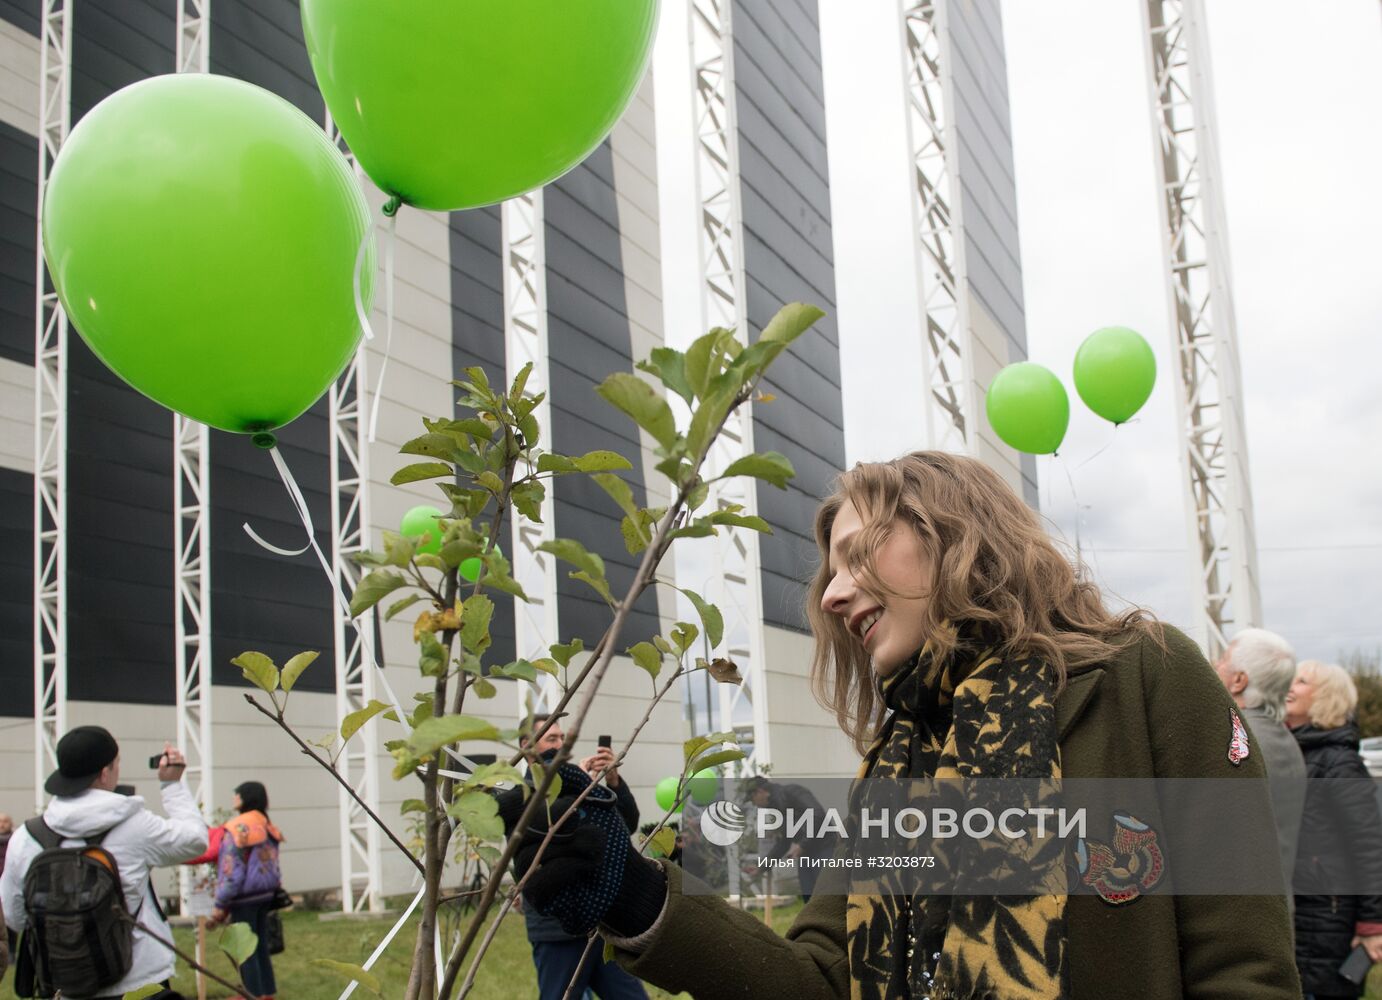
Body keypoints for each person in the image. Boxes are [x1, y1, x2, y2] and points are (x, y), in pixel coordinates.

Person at [499, 451, 1300, 999]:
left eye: (858, 554)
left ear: (953, 534)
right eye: (831, 573)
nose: (832, 594)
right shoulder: (893, 762)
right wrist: (629, 892)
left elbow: (1244, 971)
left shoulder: (1146, 677)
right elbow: (819, 980)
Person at [0, 726, 207, 998]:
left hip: (66, 986)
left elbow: (15, 918)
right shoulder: (136, 826)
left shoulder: (26, 838)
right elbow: (195, 840)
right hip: (139, 983)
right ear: (105, 773)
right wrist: (172, 785)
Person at [516, 713, 648, 1000]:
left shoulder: (577, 784)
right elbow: (553, 827)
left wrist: (612, 781)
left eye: (562, 738)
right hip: (556, 932)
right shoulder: (524, 793)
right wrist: (578, 786)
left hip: (599, 926)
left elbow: (628, 822)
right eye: (552, 739)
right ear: (528, 747)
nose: (560, 744)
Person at [1287, 660, 1382, 998]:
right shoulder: (1298, 750)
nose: (1290, 686)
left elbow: (1369, 845)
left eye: (1300, 681)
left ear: (1324, 697)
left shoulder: (1339, 761)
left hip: (1328, 913)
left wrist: (1372, 924)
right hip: (1306, 909)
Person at [1214, 627, 1307, 912]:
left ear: (1239, 680)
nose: (1215, 665)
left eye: (1224, 658)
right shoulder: (1284, 738)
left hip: (1243, 916)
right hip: (1273, 911)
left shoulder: (1237, 741)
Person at [208, 781, 283, 1000]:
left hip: (244, 896)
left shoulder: (238, 827)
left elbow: (233, 870)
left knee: (244, 949)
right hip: (265, 894)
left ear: (245, 798)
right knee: (260, 947)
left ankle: (251, 994)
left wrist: (220, 903)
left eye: (236, 794)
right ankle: (267, 993)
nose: (234, 798)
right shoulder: (266, 824)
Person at [744, 777, 836, 901]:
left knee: (827, 898)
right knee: (809, 900)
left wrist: (802, 845)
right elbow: (783, 842)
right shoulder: (775, 809)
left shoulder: (793, 792)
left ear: (760, 792)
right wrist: (761, 867)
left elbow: (818, 815)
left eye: (752, 800)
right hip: (806, 853)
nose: (754, 804)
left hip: (824, 847)